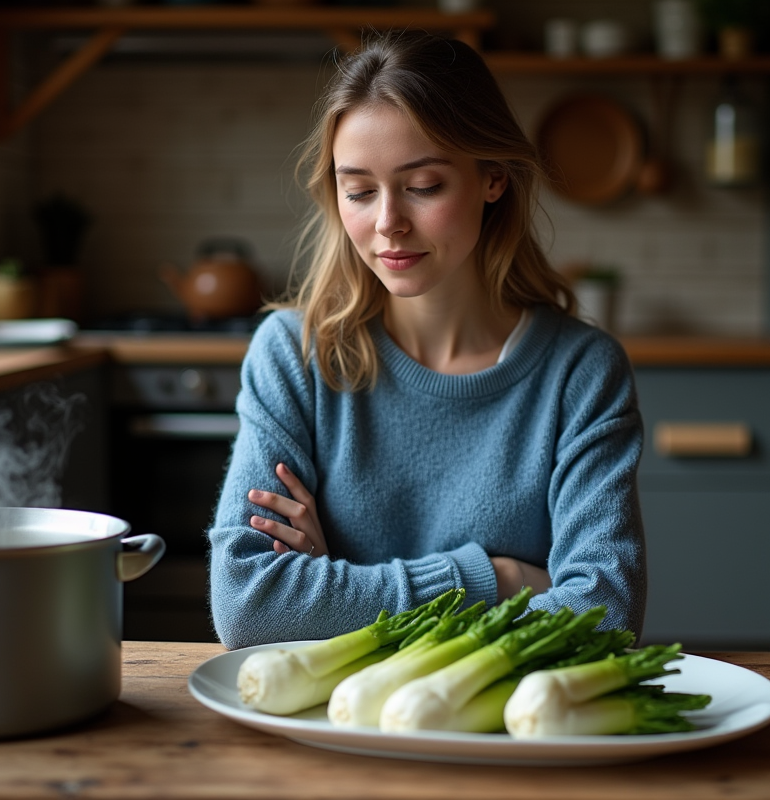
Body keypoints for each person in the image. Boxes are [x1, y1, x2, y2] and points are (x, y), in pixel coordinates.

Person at [208, 30, 645, 650]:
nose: (388, 222)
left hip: (508, 738)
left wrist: (336, 588)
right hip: (327, 732)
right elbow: (250, 604)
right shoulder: (293, 355)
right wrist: (496, 578)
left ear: (492, 178)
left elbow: (605, 614)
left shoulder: (582, 372)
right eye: (358, 191)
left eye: (424, 186)